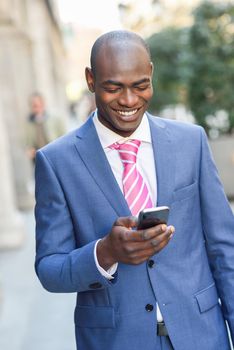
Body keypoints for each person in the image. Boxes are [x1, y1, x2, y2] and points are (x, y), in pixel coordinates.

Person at [35, 31, 234, 350]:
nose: (129, 101)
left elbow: (226, 249)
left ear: (151, 75)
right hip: (115, 340)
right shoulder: (56, 161)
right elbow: (49, 268)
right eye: (113, 88)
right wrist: (105, 252)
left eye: (140, 86)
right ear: (91, 80)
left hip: (201, 335)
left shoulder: (191, 142)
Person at [26, 92, 64, 162]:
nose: (36, 108)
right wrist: (30, 150)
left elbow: (64, 136)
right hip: (39, 159)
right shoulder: (29, 122)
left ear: (43, 104)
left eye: (37, 105)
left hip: (55, 154)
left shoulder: (55, 118)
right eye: (34, 106)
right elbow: (27, 142)